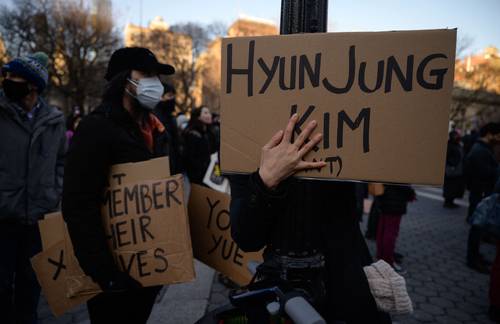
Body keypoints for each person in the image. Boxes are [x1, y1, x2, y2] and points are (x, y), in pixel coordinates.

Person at [229, 114, 392, 323]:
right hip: (282, 289)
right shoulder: (245, 142)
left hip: (346, 285)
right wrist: (266, 180)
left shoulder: (344, 132)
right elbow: (246, 238)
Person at [62, 47, 175, 324]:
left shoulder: (158, 130)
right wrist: (105, 274)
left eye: (157, 77)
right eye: (147, 75)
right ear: (124, 80)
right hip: (112, 275)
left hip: (148, 268)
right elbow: (78, 205)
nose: (156, 84)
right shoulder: (96, 128)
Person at [0, 52, 66, 324]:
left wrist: (53, 192)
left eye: (14, 77)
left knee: (31, 286)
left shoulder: (54, 120)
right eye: (7, 75)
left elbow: (61, 161)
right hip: (3, 217)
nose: (7, 81)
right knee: (2, 287)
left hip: (38, 218)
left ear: (33, 85)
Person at [465, 122, 500, 273]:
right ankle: (472, 259)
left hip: (481, 195)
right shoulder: (480, 150)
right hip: (479, 195)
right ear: (489, 134)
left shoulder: (485, 149)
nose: (499, 138)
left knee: (478, 229)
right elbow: (483, 173)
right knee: (476, 228)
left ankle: (476, 256)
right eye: (498, 135)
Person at [376, 185, 415, 273]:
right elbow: (402, 183)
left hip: (384, 198)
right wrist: (411, 192)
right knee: (390, 233)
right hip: (395, 201)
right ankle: (387, 261)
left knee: (383, 230)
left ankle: (381, 255)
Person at [154, 83, 183, 174]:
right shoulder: (154, 116)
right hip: (160, 167)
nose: (172, 99)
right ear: (160, 97)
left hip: (172, 166)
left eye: (173, 96)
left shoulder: (171, 118)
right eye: (169, 96)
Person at [182, 106, 216, 185]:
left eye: (209, 113)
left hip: (210, 174)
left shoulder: (209, 133)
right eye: (205, 113)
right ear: (198, 117)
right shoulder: (193, 134)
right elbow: (189, 158)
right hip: (198, 177)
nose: (209, 115)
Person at [443, 130, 465, 208]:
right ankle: (448, 202)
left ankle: (451, 201)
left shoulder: (458, 144)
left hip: (456, 170)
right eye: (456, 135)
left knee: (454, 186)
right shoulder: (449, 145)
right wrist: (451, 165)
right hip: (451, 169)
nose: (458, 137)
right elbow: (446, 157)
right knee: (449, 186)